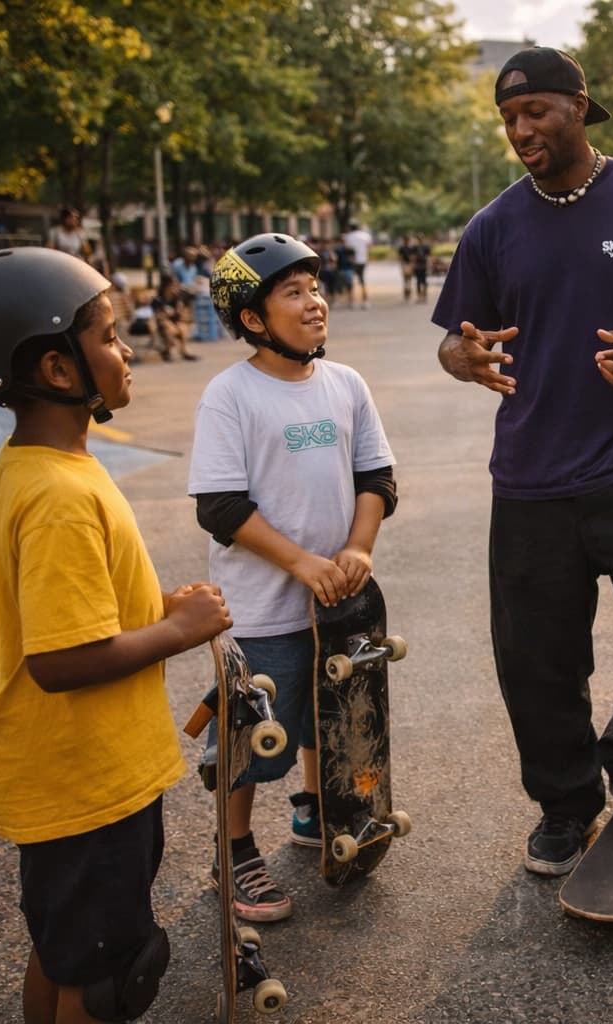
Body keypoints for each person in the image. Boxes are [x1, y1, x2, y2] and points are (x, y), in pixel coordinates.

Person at [432, 45, 613, 876]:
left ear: (579, 107)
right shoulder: (493, 227)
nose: (520, 130)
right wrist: (471, 359)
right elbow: (455, 344)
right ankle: (566, 804)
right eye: (508, 119)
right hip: (529, 477)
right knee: (536, 660)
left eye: (534, 113)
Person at [0, 246, 232, 1024]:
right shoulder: (57, 493)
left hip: (79, 772)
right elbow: (59, 658)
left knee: (67, 951)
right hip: (86, 780)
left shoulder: (41, 464)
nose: (126, 351)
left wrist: (153, 602)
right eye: (110, 336)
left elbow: (74, 602)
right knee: (106, 974)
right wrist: (183, 630)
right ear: (58, 371)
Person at [188, 233, 398, 919]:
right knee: (255, 737)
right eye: (294, 293)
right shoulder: (231, 395)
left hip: (338, 602)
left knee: (330, 718)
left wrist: (358, 549)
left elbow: (377, 476)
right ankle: (236, 849)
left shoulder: (345, 384)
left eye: (316, 289)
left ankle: (319, 811)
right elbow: (220, 507)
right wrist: (301, 561)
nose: (316, 303)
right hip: (263, 606)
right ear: (253, 318)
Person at [151, 278, 196, 361]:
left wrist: (179, 308)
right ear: (166, 287)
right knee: (170, 328)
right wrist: (166, 314)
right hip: (162, 323)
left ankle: (184, 351)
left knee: (183, 328)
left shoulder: (176, 299)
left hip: (174, 322)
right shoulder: (158, 299)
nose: (176, 288)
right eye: (173, 286)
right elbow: (157, 316)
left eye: (176, 286)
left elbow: (178, 316)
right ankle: (168, 351)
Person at [342, 222, 374, 308]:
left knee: (350, 282)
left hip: (351, 262)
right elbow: (369, 246)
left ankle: (352, 302)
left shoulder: (348, 236)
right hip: (362, 260)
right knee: (362, 281)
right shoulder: (365, 235)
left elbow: (346, 248)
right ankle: (365, 301)